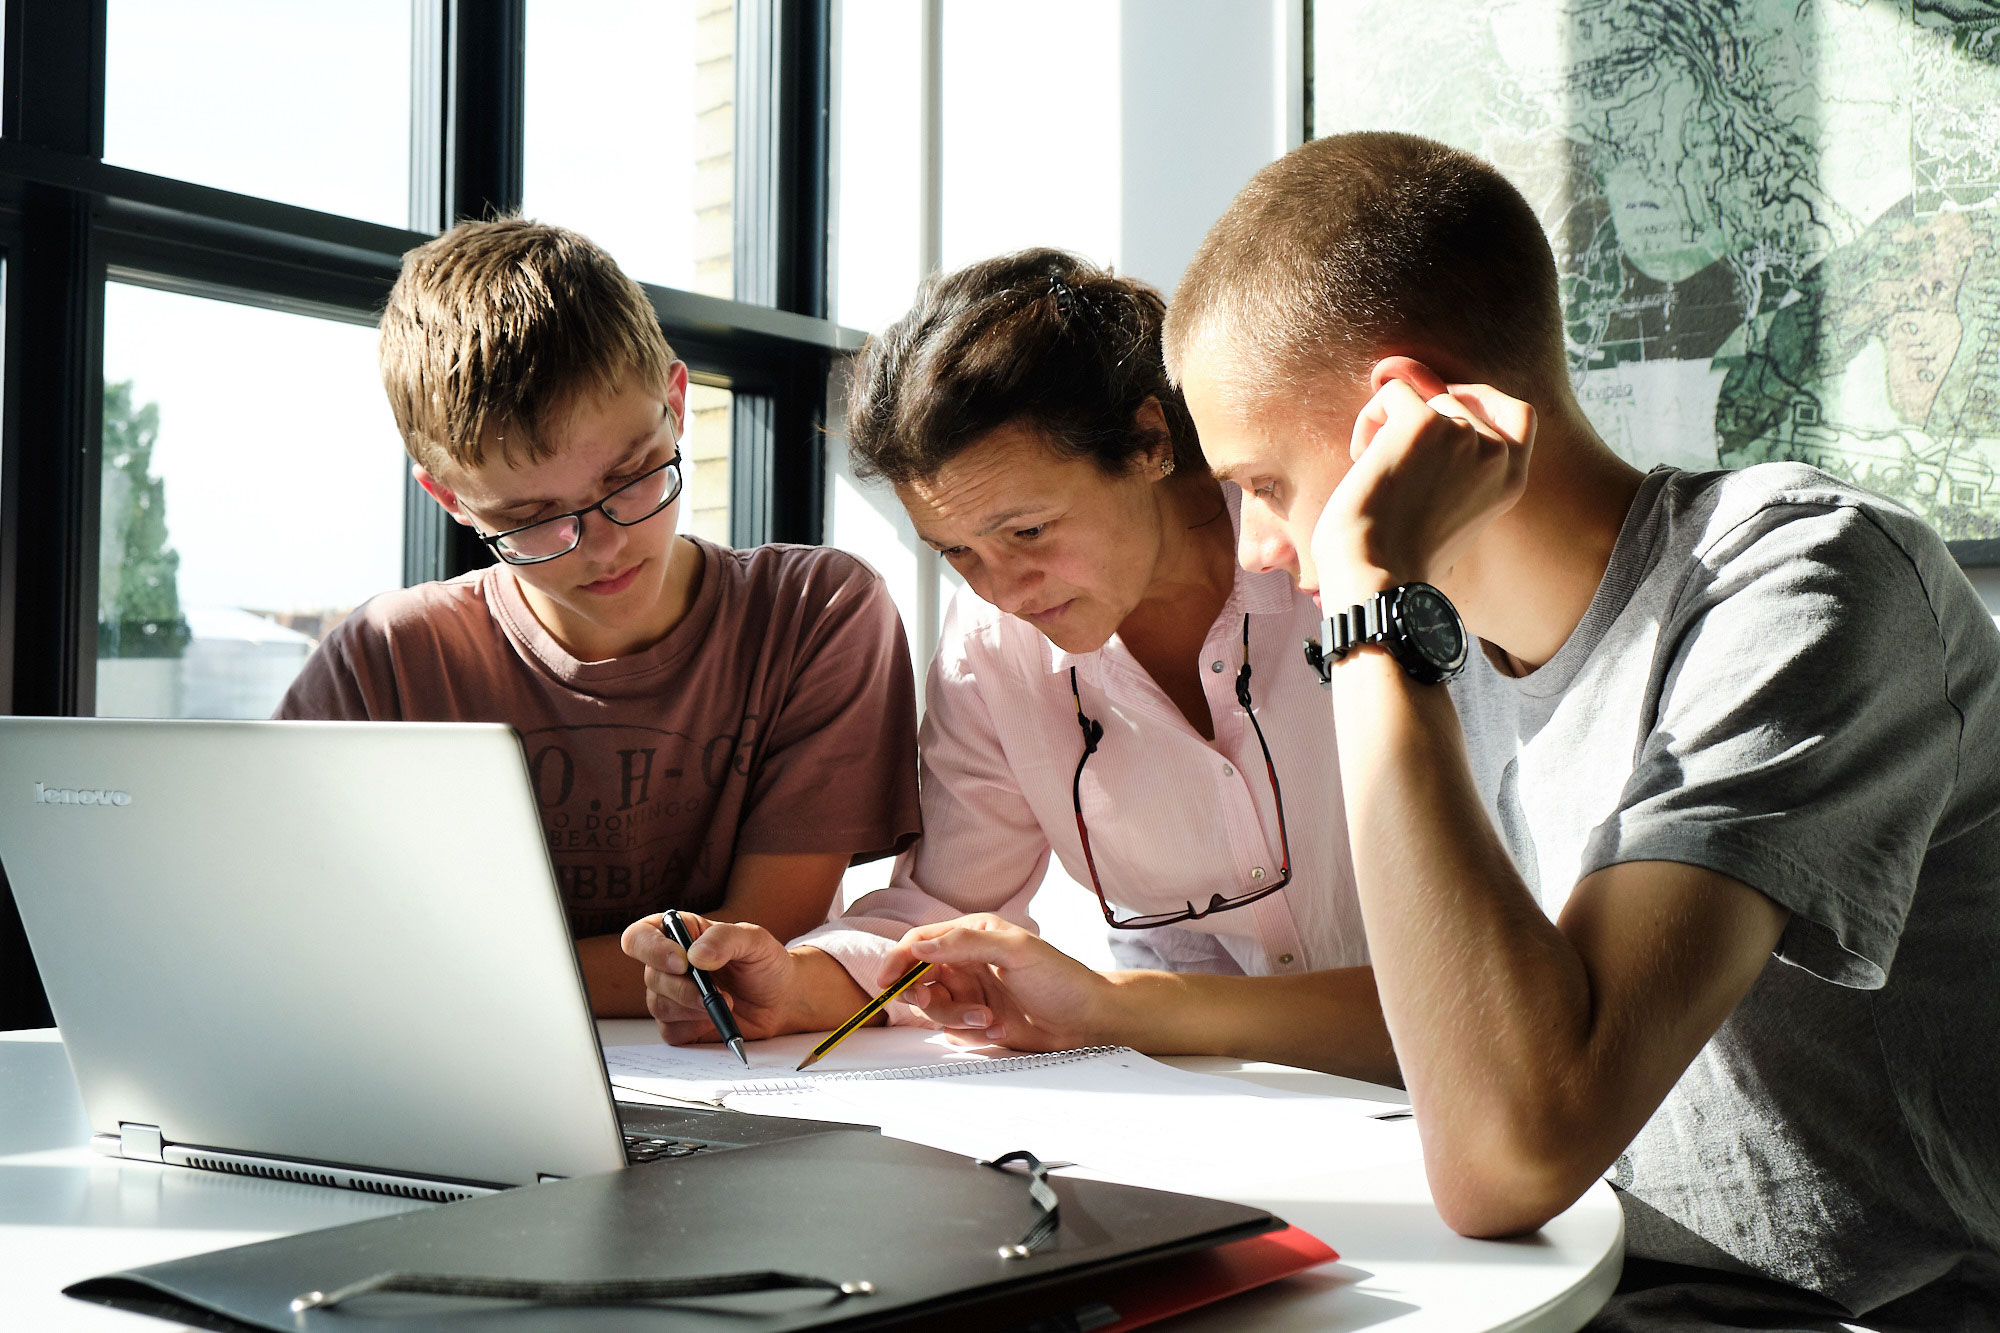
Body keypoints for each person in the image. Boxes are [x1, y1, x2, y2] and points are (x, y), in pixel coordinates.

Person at [1156, 131, 2000, 1327]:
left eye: (1258, 484)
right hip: (1598, 1284)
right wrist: (1103, 1007)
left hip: (1863, 1312)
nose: (1253, 549)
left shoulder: (1804, 579)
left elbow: (1509, 1149)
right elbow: (1448, 1012)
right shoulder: (1451, 661)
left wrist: (1367, 592)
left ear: (1396, 421)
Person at [623, 250, 1391, 1078]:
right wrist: (790, 984)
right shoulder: (992, 648)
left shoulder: (1345, 557)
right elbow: (944, 905)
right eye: (958, 552)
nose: (1004, 591)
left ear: (1149, 440)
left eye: (1028, 532)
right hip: (1238, 1105)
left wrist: (1127, 1007)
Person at [276, 218, 921, 1018]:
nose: (606, 545)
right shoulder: (383, 663)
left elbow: (749, 953)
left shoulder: (816, 614)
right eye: (534, 517)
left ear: (677, 406)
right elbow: (295, 939)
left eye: (634, 476)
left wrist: (443, 978)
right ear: (450, 500)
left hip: (744, 1087)